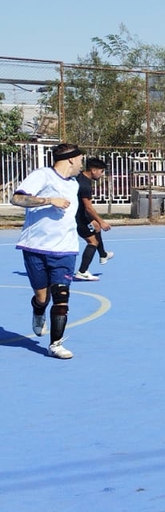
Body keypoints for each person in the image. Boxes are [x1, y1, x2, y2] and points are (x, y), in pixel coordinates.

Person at [11, 143, 85, 359]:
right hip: (35, 247)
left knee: (61, 296)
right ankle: (38, 310)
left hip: (65, 249)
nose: (82, 164)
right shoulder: (43, 175)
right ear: (71, 159)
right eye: (80, 160)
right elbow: (17, 198)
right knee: (42, 297)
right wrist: (49, 200)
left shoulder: (74, 184)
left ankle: (55, 344)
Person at [73, 157, 114, 281]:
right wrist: (102, 222)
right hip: (78, 218)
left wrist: (97, 222)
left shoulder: (79, 177)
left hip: (80, 215)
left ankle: (103, 255)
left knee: (95, 226)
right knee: (93, 242)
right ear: (94, 170)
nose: (102, 174)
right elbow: (88, 208)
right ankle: (82, 271)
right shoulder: (85, 185)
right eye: (101, 171)